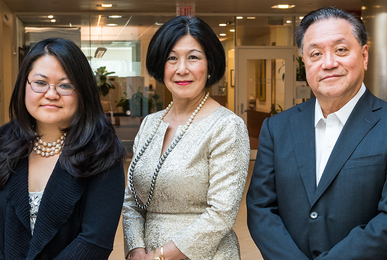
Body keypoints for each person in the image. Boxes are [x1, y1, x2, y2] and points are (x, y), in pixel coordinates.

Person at [247, 6, 387, 260]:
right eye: (315, 53)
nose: (329, 63)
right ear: (305, 62)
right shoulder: (277, 128)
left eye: (341, 50)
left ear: (365, 55)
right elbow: (261, 209)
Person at [122, 16, 250, 260]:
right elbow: (132, 201)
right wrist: (135, 250)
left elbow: (221, 214)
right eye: (172, 58)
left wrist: (158, 257)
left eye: (193, 57)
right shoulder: (150, 123)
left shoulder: (227, 126)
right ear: (161, 66)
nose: (182, 69)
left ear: (209, 65)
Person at [0, 37, 126, 259]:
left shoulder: (103, 152)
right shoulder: (3, 142)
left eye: (65, 85)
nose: (51, 94)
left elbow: (94, 241)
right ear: (24, 86)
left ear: (83, 92)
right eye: (40, 83)